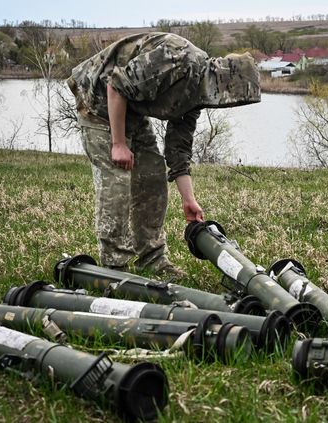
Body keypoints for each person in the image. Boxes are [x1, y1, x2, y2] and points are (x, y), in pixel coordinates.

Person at [67, 32, 260, 278]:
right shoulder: (179, 58)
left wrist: (188, 199)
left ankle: (152, 260)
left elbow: (178, 150)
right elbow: (116, 85)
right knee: (117, 181)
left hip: (131, 110)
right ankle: (115, 268)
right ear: (223, 81)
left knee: (153, 175)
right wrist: (118, 143)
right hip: (98, 102)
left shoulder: (198, 93)